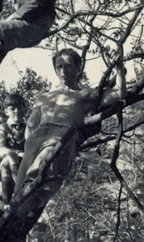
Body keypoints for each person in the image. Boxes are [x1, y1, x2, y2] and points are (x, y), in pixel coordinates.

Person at [13, 48, 124, 200]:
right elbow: (31, 125)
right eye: (59, 66)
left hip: (61, 135)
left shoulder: (87, 93)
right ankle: (14, 213)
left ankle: (22, 212)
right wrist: (29, 142)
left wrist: (119, 67)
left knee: (38, 177)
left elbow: (119, 93)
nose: (63, 70)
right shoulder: (44, 96)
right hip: (36, 138)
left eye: (68, 65)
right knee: (18, 188)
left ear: (78, 68)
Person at [0, 93, 27, 206]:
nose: (16, 111)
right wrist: (18, 153)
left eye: (19, 107)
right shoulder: (2, 128)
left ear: (25, 110)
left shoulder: (29, 128)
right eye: (12, 108)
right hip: (4, 167)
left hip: (24, 166)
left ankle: (11, 198)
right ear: (6, 111)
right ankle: (12, 198)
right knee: (9, 159)